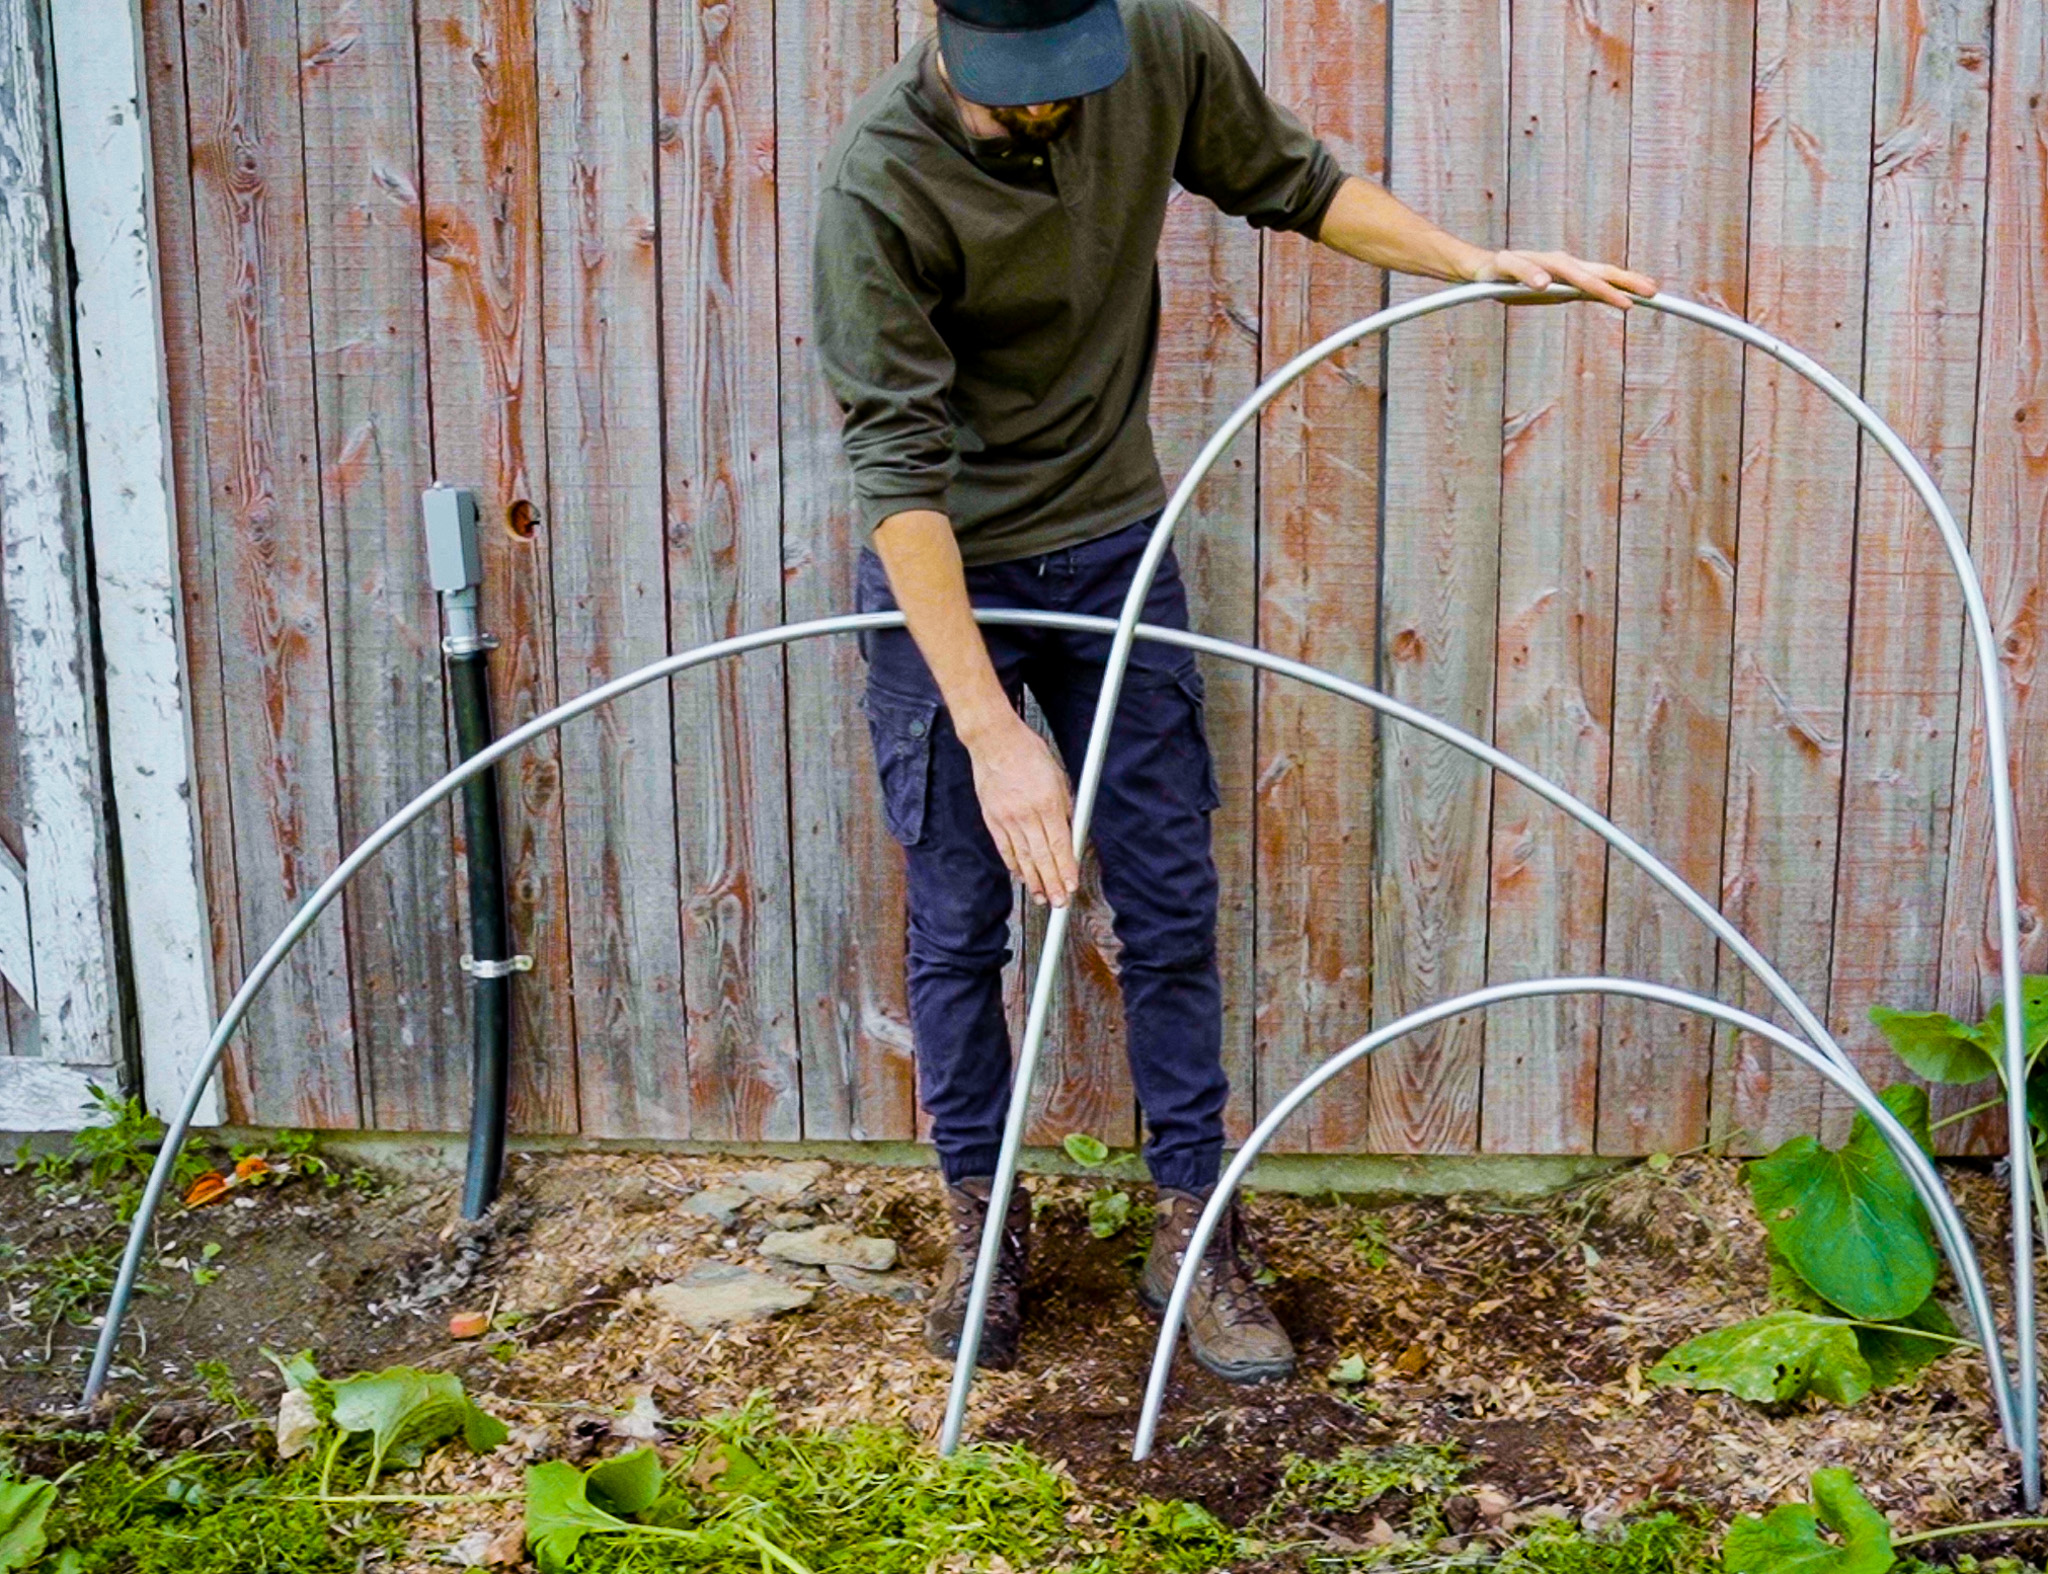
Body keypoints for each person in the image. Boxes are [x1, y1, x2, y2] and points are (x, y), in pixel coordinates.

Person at [812, 0, 1655, 1382]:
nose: (1052, 111)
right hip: (945, 572)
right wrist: (990, 735)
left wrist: (1468, 261)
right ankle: (983, 1219)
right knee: (961, 921)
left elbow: (1299, 184)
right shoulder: (878, 183)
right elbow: (897, 477)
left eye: (1068, 79)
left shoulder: (1153, 51)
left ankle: (1192, 1219)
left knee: (1167, 897)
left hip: (1113, 547)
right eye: (1021, 90)